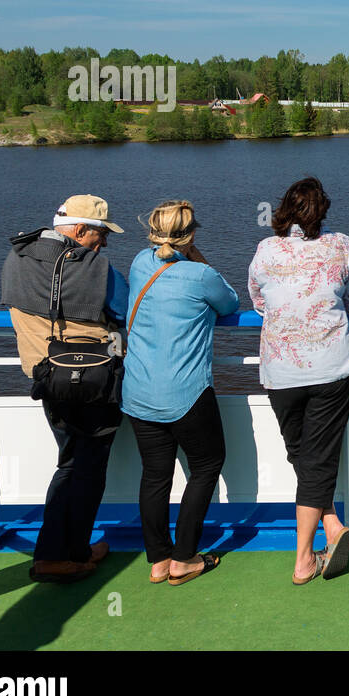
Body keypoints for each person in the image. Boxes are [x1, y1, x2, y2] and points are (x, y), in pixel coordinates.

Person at [249, 177, 349, 585]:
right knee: (314, 458)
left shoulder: (266, 249)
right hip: (330, 365)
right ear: (322, 212)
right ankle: (313, 548)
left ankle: (324, 535)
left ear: (284, 209)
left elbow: (257, 301)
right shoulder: (340, 244)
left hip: (282, 370)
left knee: (302, 453)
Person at [1, 195, 129, 583]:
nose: (103, 243)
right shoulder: (97, 269)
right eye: (101, 234)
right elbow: (126, 310)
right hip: (91, 381)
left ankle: (73, 547)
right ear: (78, 230)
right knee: (84, 468)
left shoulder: (15, 259)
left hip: (45, 378)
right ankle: (54, 555)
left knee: (72, 462)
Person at [122, 200, 239, 585]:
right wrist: (195, 254)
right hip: (185, 392)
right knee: (206, 465)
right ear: (191, 234)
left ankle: (158, 558)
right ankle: (185, 557)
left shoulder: (140, 262)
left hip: (138, 391)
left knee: (155, 475)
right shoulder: (200, 274)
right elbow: (231, 303)